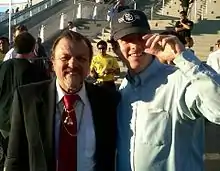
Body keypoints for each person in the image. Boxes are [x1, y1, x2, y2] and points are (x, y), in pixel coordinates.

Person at [109, 9, 220, 171]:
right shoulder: (124, 91)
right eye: (126, 40)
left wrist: (182, 58)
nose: (134, 45)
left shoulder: (180, 80)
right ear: (116, 48)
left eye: (140, 37)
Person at [5, 30, 120, 171]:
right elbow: (15, 159)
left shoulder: (107, 101)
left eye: (81, 59)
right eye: (65, 58)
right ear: (52, 62)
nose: (73, 64)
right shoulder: (27, 98)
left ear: (89, 64)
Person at [0, 33, 50, 171]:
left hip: (3, 123)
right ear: (33, 48)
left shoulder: (3, 67)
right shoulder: (36, 72)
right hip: (26, 126)